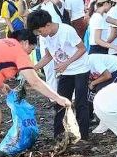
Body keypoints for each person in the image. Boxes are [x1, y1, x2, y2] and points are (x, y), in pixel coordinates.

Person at [29, 8, 93, 140]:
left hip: (80, 68)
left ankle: (84, 135)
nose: (40, 35)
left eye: (40, 31)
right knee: (60, 101)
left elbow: (82, 49)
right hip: (66, 71)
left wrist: (66, 63)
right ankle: (58, 133)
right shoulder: (45, 37)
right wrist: (33, 68)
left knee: (81, 102)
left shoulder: (66, 31)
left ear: (47, 24)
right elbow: (48, 57)